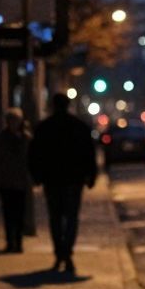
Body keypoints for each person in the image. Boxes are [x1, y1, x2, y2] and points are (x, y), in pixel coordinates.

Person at [28, 92, 98, 274]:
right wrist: (91, 176)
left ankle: (60, 252)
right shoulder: (79, 127)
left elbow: (34, 154)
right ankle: (66, 252)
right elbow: (89, 154)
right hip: (73, 180)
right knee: (71, 218)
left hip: (53, 180)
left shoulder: (45, 127)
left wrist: (37, 176)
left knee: (56, 218)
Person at [0, 107, 31, 253]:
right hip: (7, 181)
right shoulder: (1, 138)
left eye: (16, 120)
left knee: (20, 214)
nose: (14, 123)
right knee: (8, 214)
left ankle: (18, 242)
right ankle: (10, 241)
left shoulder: (25, 138)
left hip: (20, 182)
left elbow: (30, 158)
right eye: (11, 120)